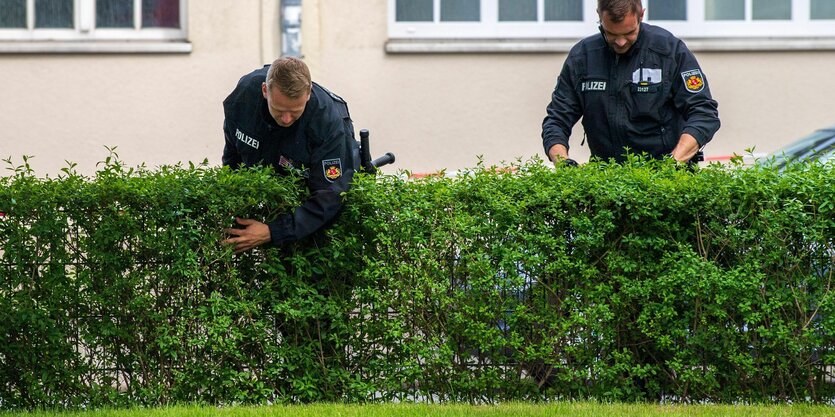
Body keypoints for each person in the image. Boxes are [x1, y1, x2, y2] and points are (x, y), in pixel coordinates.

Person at [542, 0, 720, 165]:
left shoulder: (669, 51)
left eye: (629, 33)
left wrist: (673, 164)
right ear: (599, 15)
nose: (620, 42)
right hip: (606, 179)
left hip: (669, 177)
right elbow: (557, 119)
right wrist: (563, 163)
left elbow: (703, 113)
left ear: (641, 15)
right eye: (611, 33)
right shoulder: (583, 57)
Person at [221, 57, 357, 253]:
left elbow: (330, 197)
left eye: (295, 111)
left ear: (308, 94)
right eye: (279, 110)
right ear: (265, 91)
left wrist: (272, 231)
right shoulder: (243, 98)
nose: (286, 119)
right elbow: (232, 156)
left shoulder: (328, 122)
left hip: (310, 221)